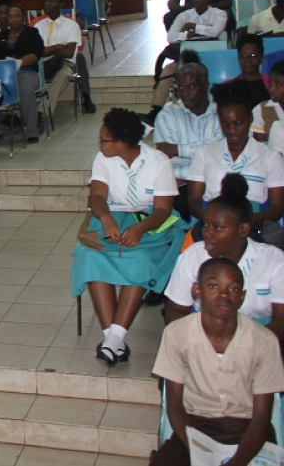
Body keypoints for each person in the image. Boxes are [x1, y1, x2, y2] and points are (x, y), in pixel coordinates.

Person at [71, 108, 184, 367]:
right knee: (90, 253)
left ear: (121, 143)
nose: (99, 145)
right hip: (111, 216)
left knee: (143, 258)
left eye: (103, 140)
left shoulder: (158, 162)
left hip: (150, 222)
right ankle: (114, 341)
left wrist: (139, 230)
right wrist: (107, 219)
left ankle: (113, 341)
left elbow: (163, 210)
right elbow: (97, 198)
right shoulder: (103, 159)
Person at [151, 256, 284, 466]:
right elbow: (175, 404)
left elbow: (261, 417)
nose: (223, 294)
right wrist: (197, 453)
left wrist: (236, 463)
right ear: (197, 290)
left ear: (242, 296)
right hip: (195, 427)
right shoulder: (176, 334)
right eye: (213, 286)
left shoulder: (264, 341)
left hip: (249, 429)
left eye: (233, 288)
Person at [165, 174, 284, 338]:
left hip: (259, 337)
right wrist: (196, 339)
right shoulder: (193, 255)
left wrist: (243, 344)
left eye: (218, 227)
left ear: (243, 229)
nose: (207, 232)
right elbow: (175, 309)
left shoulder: (274, 260)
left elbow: (281, 320)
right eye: (205, 224)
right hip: (205, 334)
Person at [185, 89, 284, 244]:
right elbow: (193, 200)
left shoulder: (270, 156)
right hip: (213, 222)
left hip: (252, 222)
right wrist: (211, 218)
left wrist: (247, 221)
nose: (232, 130)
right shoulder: (205, 153)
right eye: (226, 124)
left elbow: (277, 207)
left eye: (238, 123)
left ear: (250, 119)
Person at [153, 60, 222, 194]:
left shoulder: (222, 112)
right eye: (181, 87)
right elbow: (165, 157)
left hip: (217, 182)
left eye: (191, 87)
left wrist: (178, 149)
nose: (185, 93)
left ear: (205, 85)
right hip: (180, 185)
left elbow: (223, 151)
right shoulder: (168, 114)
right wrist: (208, 149)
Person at [0, 4, 46, 144]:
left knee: (25, 89)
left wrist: (17, 63)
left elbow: (36, 54)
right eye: (10, 16)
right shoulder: (0, 36)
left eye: (17, 16)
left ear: (23, 18)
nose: (13, 19)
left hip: (27, 72)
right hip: (3, 75)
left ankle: (31, 131)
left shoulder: (32, 33)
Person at [34, 0, 97, 115]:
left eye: (52, 1)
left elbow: (69, 53)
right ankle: (22, 114)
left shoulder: (71, 25)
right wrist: (58, 47)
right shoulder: (38, 26)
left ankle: (42, 113)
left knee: (63, 76)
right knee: (25, 75)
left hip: (64, 64)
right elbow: (37, 51)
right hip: (41, 64)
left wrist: (47, 50)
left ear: (60, 4)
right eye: (46, 1)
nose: (48, 4)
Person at [226, 34, 270, 107]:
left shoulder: (271, 84)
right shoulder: (228, 86)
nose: (248, 60)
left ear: (261, 58)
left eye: (253, 56)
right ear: (239, 58)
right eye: (243, 56)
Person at [253, 60, 284, 155]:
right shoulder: (261, 110)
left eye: (278, 85)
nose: (271, 89)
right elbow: (259, 146)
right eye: (270, 84)